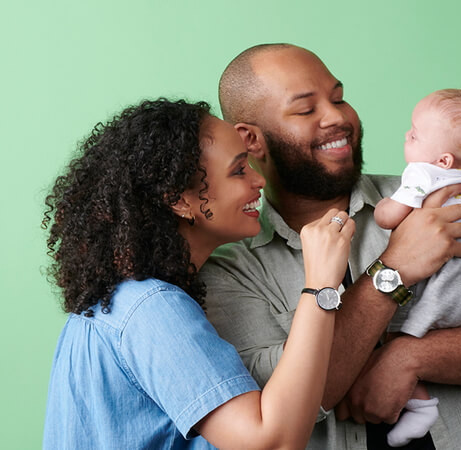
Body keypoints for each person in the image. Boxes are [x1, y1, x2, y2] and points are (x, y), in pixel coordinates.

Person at [201, 44, 461, 449]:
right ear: (250, 139)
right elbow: (274, 404)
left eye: (338, 98)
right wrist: (394, 267)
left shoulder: (447, 197)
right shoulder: (230, 269)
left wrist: (411, 356)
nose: (338, 117)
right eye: (307, 109)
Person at [41, 98, 356, 449]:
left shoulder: (125, 300)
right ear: (179, 200)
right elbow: (273, 442)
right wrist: (321, 285)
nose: (259, 181)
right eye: (239, 171)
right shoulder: (152, 308)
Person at [375, 89, 461, 446]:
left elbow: (389, 217)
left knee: (393, 339)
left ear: (443, 160)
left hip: (443, 290)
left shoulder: (423, 174)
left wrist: (382, 207)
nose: (407, 135)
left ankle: (421, 407)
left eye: (415, 133)